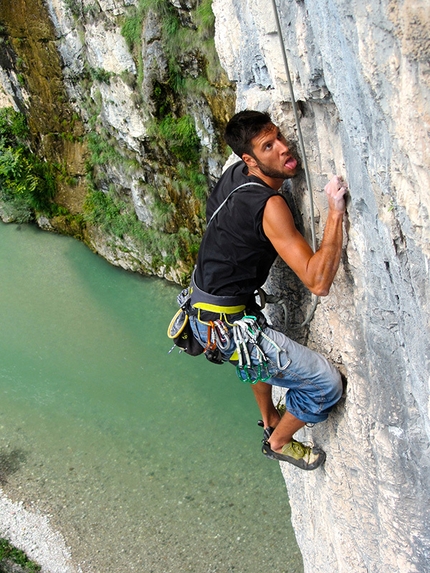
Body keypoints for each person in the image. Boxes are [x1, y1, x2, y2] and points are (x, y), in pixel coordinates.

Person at [188, 110, 346, 471]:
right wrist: (334, 213)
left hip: (207, 310)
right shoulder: (269, 206)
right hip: (228, 325)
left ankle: (269, 416)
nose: (285, 148)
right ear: (250, 160)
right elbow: (318, 281)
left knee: (253, 346)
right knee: (325, 384)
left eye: (279, 137)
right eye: (268, 146)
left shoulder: (234, 177)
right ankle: (279, 440)